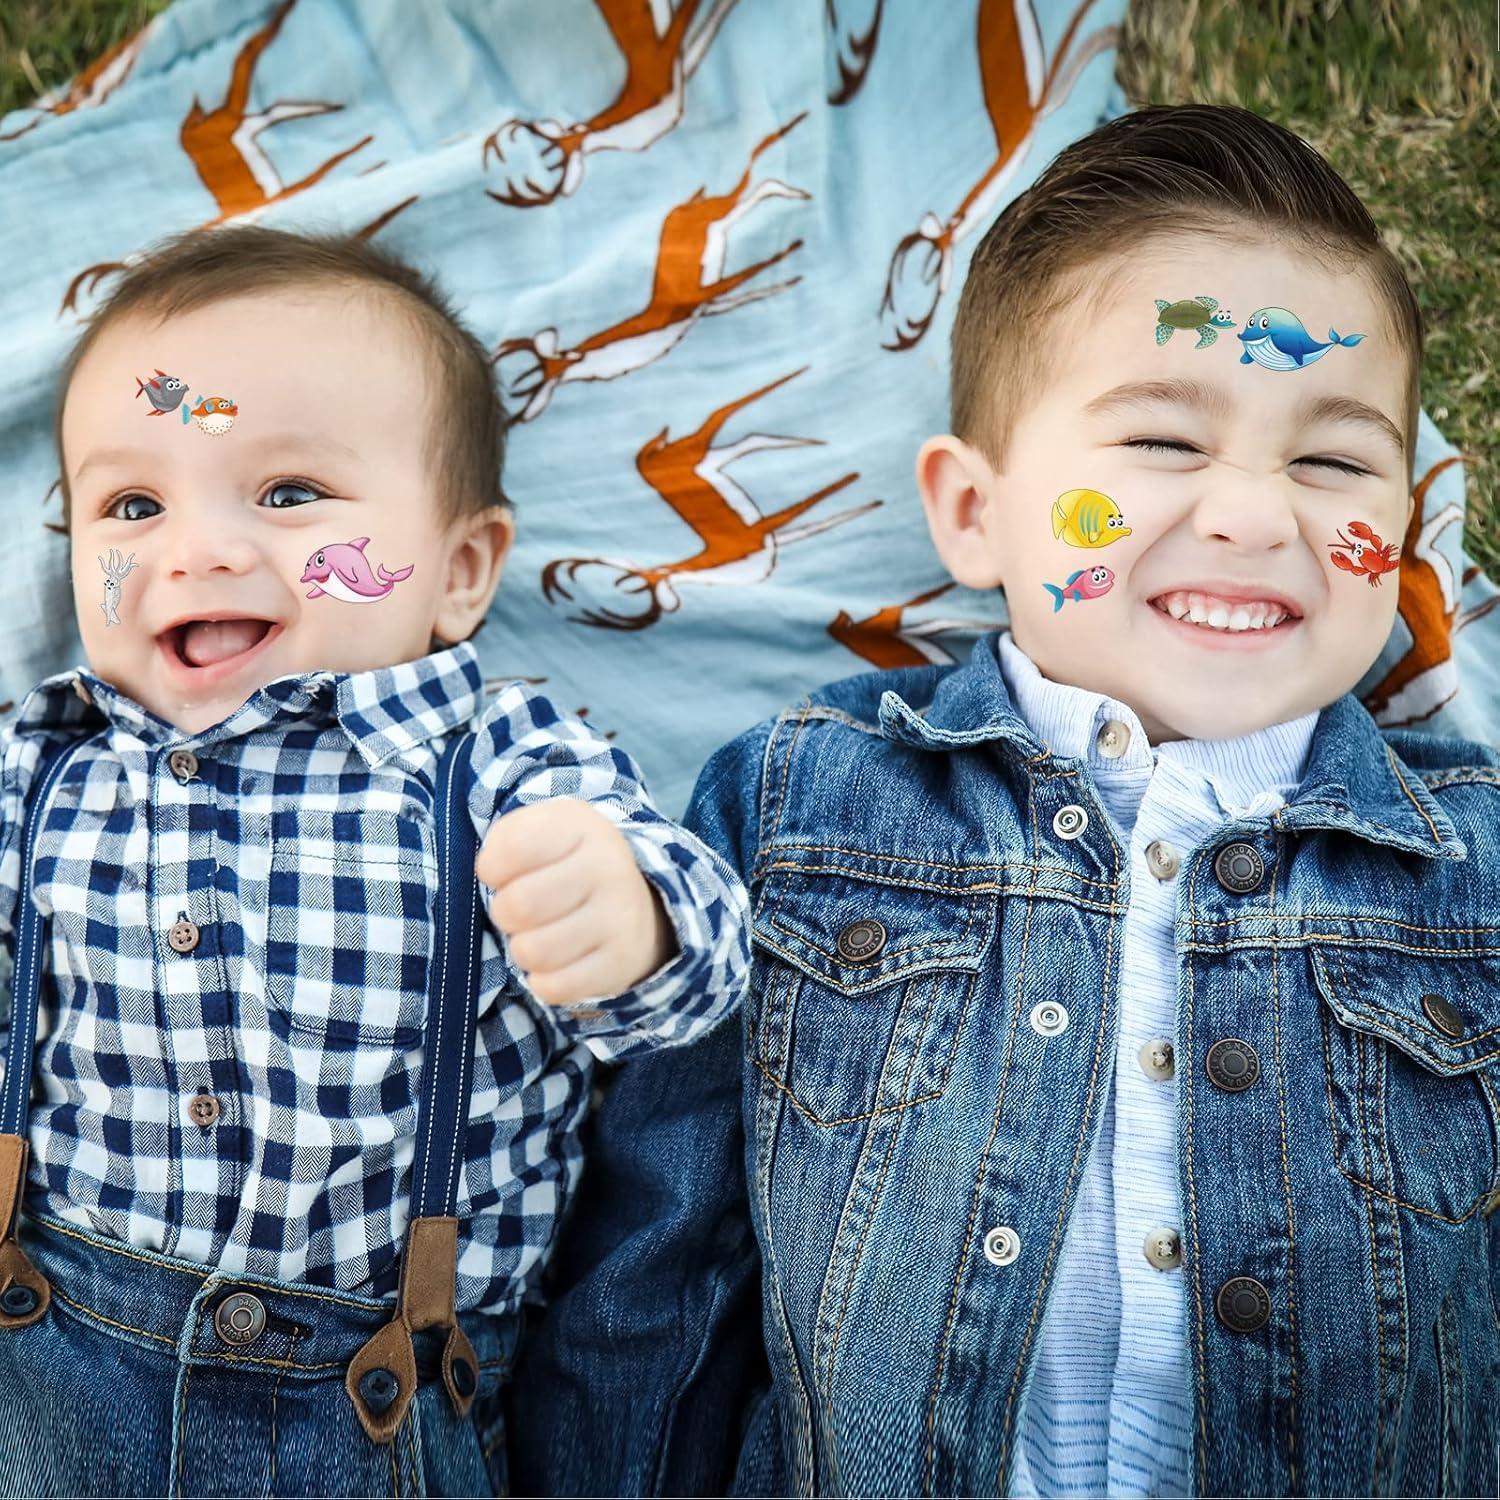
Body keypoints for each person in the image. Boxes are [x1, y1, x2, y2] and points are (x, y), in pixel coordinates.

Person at [509, 103, 1500, 1497]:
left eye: (1332, 460)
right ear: (974, 514)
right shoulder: (802, 808)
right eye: (1164, 443)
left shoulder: (1476, 872)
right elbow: (656, 1267)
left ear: (1396, 526)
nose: (1255, 516)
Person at [0, 225, 749, 1497]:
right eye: (133, 504)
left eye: (289, 495)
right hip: (47, 1358)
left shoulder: (499, 760)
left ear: (460, 573)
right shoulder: (42, 766)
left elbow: (703, 979)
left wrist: (627, 911)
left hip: (384, 1392)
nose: (199, 548)